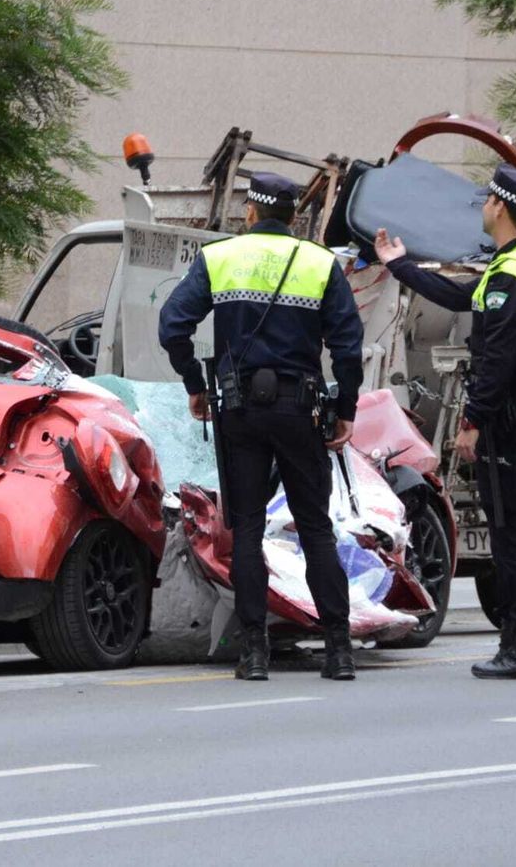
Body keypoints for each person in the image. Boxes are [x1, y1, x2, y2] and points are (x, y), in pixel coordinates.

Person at [158, 171, 365, 682]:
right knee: (316, 528)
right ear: (294, 216)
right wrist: (347, 409)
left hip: (241, 412)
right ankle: (338, 651)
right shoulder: (320, 264)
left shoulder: (220, 257)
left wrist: (194, 382)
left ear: (250, 212)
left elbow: (172, 325)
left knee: (247, 530)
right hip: (301, 411)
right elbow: (348, 346)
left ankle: (254, 653)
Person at [373, 164, 516, 679]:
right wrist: (400, 265)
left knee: (513, 535)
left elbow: (497, 358)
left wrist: (472, 422)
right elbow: (465, 298)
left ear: (500, 207)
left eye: (486, 201)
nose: (481, 207)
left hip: (514, 416)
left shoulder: (510, 276)